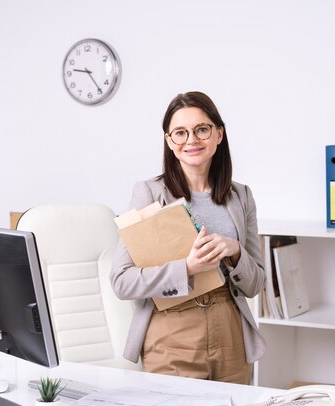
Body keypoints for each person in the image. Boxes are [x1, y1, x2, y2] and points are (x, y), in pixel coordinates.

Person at [110, 91, 266, 384]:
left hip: (231, 331)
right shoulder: (148, 193)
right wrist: (187, 268)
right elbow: (121, 281)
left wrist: (235, 252)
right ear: (169, 141)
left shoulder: (241, 196)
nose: (191, 141)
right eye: (180, 133)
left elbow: (256, 282)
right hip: (171, 332)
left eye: (202, 129)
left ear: (218, 134)